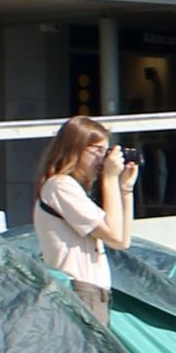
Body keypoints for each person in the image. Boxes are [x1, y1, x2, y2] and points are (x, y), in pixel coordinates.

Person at [33, 116, 132, 318]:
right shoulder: (60, 186)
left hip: (94, 293)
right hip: (79, 292)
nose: (102, 159)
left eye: (106, 152)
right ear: (75, 149)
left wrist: (126, 189)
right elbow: (113, 234)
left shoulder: (71, 189)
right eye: (97, 151)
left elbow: (122, 241)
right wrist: (111, 177)